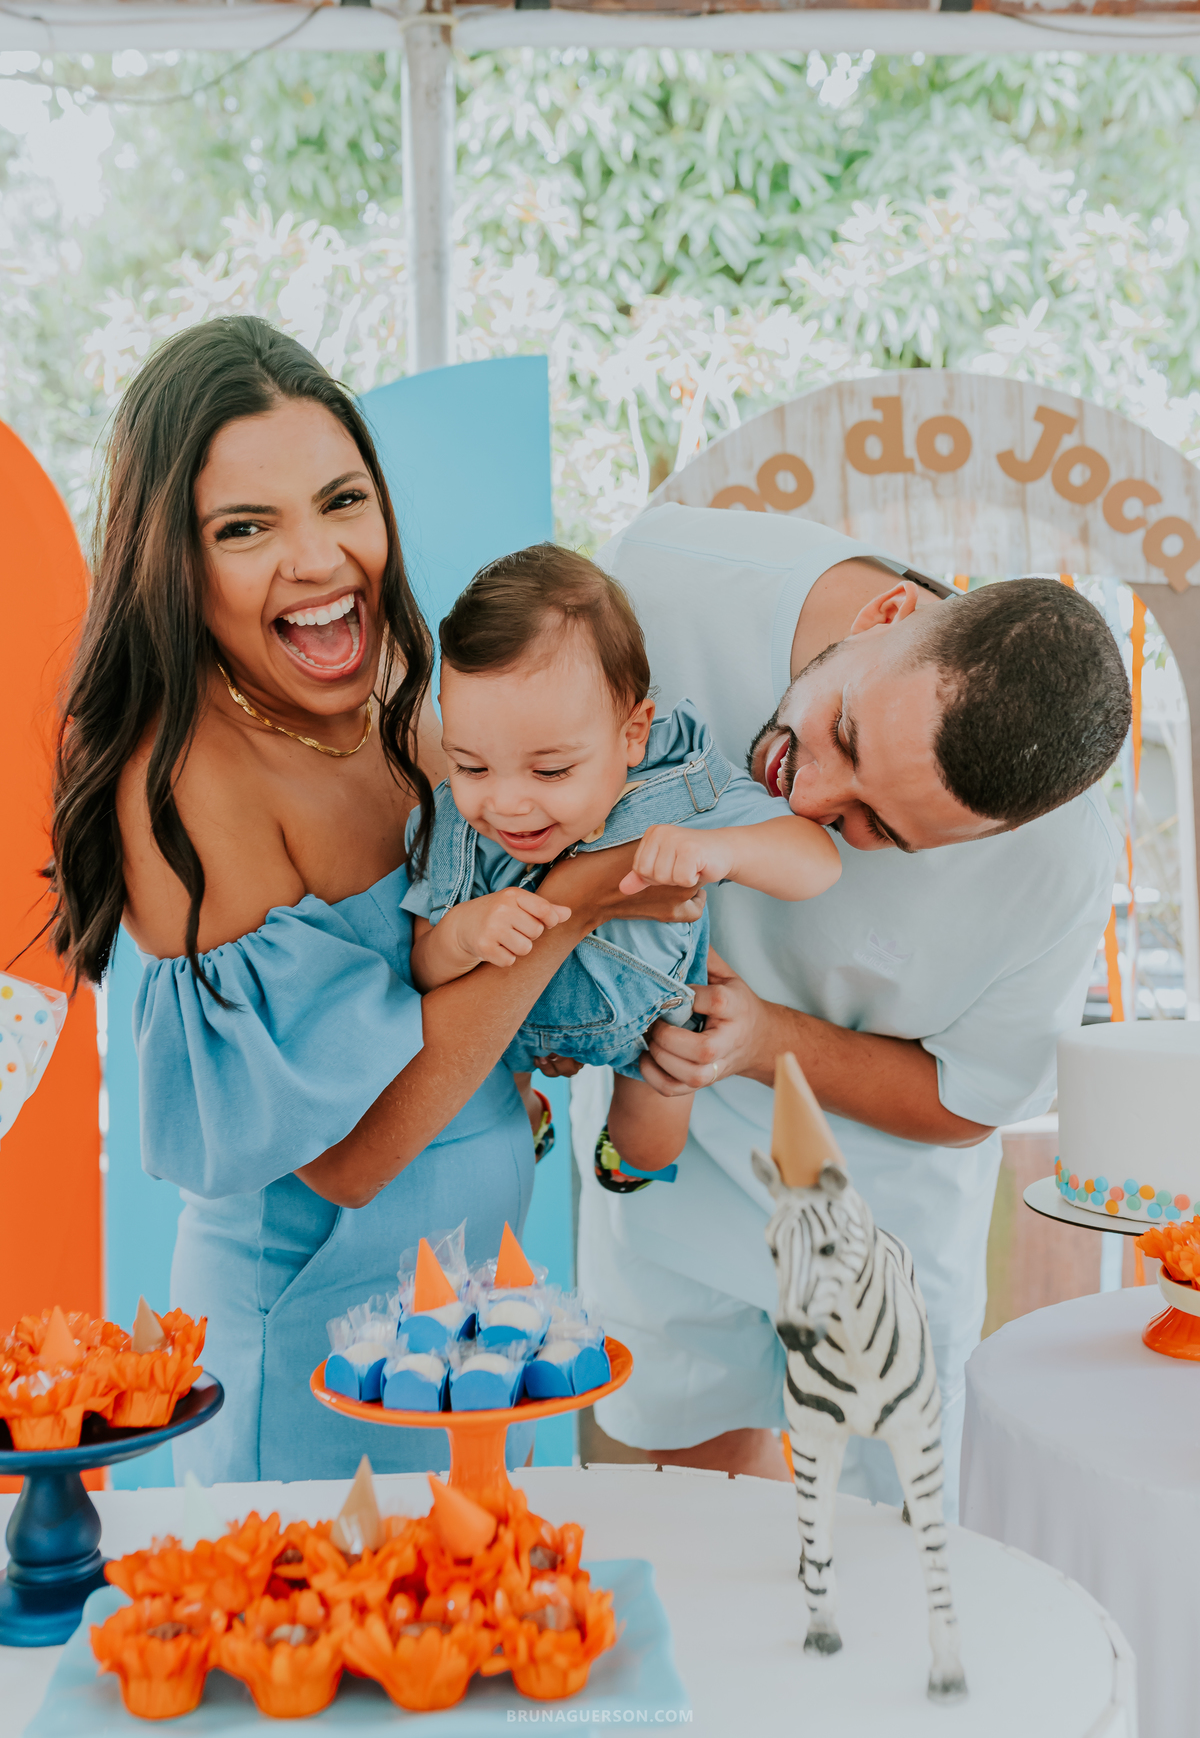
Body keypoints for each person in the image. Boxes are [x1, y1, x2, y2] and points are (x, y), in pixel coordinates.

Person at [46, 316, 700, 1485]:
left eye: (342, 501)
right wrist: (580, 905)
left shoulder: (396, 697)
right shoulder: (185, 779)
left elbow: (465, 978)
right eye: (245, 527)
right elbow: (349, 1156)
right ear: (175, 562)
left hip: (476, 1317)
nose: (318, 559)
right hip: (319, 1352)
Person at [570, 502, 1129, 1518]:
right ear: (888, 613)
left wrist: (763, 1041)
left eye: (879, 829)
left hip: (880, 1217)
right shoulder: (658, 583)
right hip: (666, 1174)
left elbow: (965, 1101)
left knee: (891, 1549)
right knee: (690, 1518)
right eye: (843, 733)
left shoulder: (1059, 866)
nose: (809, 799)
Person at [403, 546, 840, 1182]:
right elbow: (422, 967)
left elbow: (817, 862)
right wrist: (463, 936)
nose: (506, 804)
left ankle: (623, 1156)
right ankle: (531, 1110)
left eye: (550, 770)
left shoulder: (675, 781)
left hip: (651, 1018)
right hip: (507, 1025)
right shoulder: (450, 827)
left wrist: (724, 850)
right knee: (488, 1113)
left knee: (651, 1148)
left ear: (633, 734)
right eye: (471, 766)